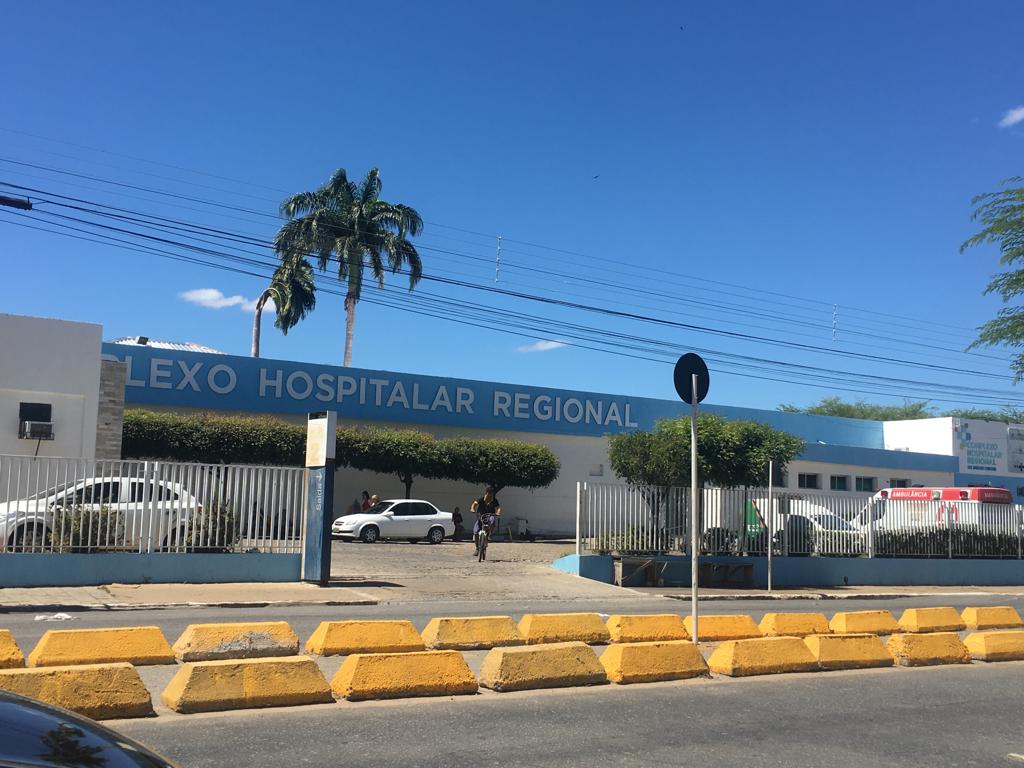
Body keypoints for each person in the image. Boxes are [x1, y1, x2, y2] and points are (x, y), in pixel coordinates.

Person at [470, 485, 501, 556]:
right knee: (475, 532)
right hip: (481, 517)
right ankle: (477, 548)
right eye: (489, 493)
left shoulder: (494, 500)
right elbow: (474, 504)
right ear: (486, 493)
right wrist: (472, 509)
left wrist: (498, 512)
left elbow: (498, 507)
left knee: (492, 521)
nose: (490, 495)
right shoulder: (481, 499)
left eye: (491, 494)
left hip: (490, 516)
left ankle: (489, 535)